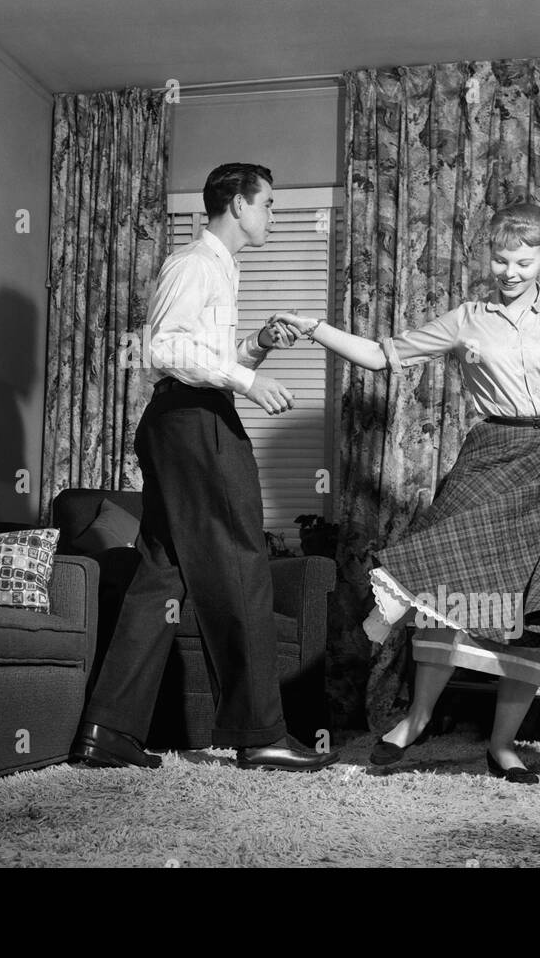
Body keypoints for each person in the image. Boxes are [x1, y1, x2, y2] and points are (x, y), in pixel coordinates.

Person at [272, 200, 540, 784]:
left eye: (523, 261)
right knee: (445, 592)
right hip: (489, 459)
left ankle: (503, 746)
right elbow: (381, 356)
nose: (510, 272)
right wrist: (314, 327)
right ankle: (416, 720)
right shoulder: (466, 319)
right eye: (501, 259)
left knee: (535, 614)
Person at [70, 163, 340, 773]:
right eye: (268, 204)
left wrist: (258, 346)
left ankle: (107, 731)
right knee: (243, 562)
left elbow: (205, 355)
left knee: (161, 572)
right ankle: (261, 734)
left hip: (182, 419)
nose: (272, 215)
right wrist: (249, 379)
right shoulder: (194, 262)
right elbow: (164, 348)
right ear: (238, 205)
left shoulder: (222, 268)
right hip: (194, 423)